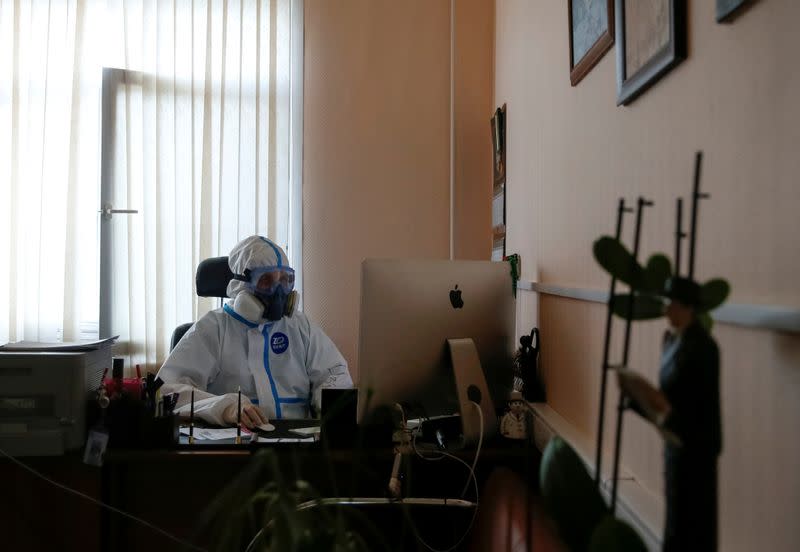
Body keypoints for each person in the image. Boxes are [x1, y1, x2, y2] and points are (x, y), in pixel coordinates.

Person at [157, 235, 353, 429]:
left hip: (297, 446)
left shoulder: (300, 326)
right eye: (266, 280)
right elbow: (168, 392)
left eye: (285, 279)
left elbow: (335, 375)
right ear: (241, 284)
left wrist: (331, 412)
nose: (279, 291)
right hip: (233, 446)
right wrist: (225, 407)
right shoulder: (213, 328)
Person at [618, 276, 721, 551]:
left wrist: (662, 411)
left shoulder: (703, 349)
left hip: (694, 448)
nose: (666, 311)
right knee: (676, 521)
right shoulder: (673, 342)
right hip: (674, 443)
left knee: (692, 526)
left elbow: (697, 405)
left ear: (687, 307)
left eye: (672, 304)